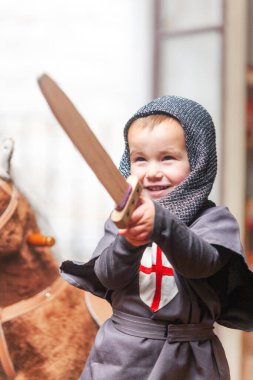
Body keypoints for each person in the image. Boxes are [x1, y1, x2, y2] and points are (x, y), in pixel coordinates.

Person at [60, 96, 253, 380]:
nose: (152, 172)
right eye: (140, 160)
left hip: (191, 358)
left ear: (198, 161)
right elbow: (108, 276)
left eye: (167, 158)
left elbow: (201, 263)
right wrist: (129, 241)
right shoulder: (123, 221)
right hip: (121, 356)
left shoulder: (214, 220)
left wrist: (160, 224)